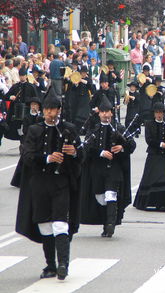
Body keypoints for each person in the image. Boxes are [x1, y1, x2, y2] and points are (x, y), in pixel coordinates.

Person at [15, 90, 83, 280]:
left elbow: (82, 156)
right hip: (40, 184)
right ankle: (50, 265)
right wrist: (47, 158)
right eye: (47, 110)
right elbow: (27, 156)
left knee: (60, 224)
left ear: (59, 110)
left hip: (61, 182)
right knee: (45, 225)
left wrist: (75, 152)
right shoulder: (34, 130)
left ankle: (63, 264)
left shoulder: (69, 129)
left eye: (53, 109)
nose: (50, 113)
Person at [80, 94, 135, 237]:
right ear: (99, 114)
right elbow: (86, 148)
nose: (105, 114)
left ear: (111, 112)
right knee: (100, 198)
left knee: (111, 195)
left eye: (108, 111)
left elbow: (132, 145)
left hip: (114, 170)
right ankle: (105, 223)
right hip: (97, 170)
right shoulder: (94, 130)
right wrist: (101, 152)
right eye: (103, 112)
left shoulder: (120, 128)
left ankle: (110, 225)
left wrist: (122, 148)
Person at [134, 102, 165, 211]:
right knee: (151, 177)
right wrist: (161, 144)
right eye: (157, 112)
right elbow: (149, 140)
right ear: (154, 113)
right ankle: (147, 202)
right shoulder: (149, 124)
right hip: (154, 155)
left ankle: (163, 203)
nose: (159, 115)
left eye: (161, 112)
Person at [4, 67, 39, 141]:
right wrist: (11, 97)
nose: (21, 77)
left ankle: (25, 141)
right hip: (16, 111)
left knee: (27, 127)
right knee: (18, 128)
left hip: (27, 110)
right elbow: (6, 96)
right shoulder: (15, 86)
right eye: (20, 76)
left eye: (23, 75)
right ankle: (21, 140)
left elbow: (36, 98)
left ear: (26, 76)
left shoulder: (31, 86)